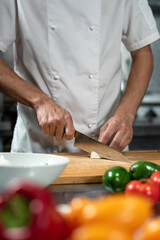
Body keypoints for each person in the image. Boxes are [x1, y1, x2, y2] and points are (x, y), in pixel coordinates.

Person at [0, 0, 159, 153]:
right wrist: (39, 101)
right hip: (38, 147)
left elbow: (142, 53)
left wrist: (126, 114)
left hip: (107, 144)